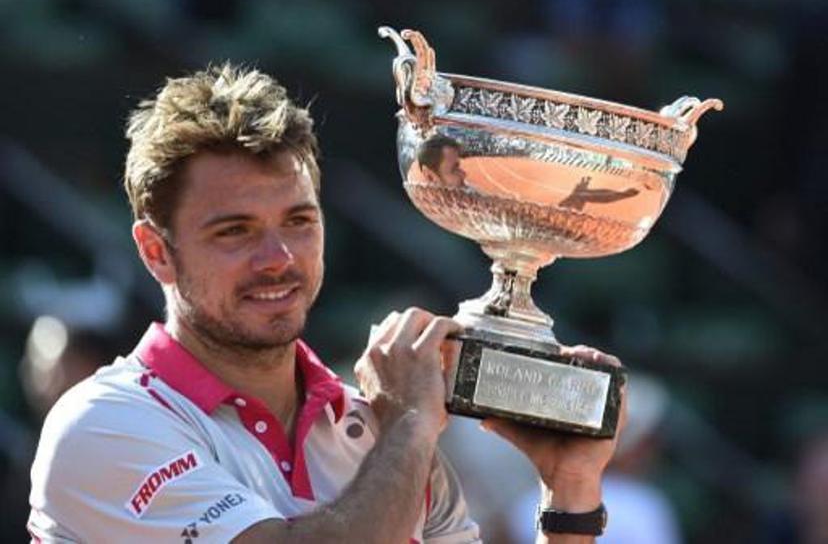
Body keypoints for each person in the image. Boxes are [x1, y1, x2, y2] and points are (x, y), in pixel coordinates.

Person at [28, 63, 626, 543]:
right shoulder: (105, 425)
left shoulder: (382, 435)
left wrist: (568, 497)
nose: (279, 257)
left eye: (299, 220)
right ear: (157, 251)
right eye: (234, 231)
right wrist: (413, 423)